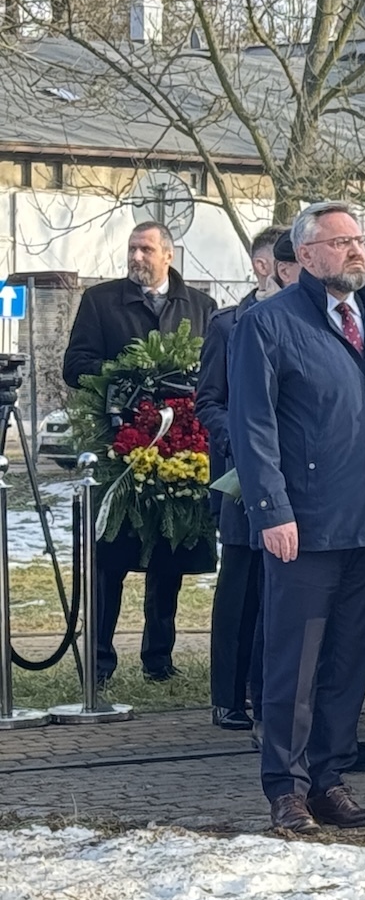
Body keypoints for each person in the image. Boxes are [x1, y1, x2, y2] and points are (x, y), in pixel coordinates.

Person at [230, 201, 365, 833]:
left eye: (359, 240)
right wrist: (272, 511)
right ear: (306, 255)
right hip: (305, 525)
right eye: (340, 242)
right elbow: (252, 427)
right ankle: (286, 786)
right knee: (297, 662)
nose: (355, 251)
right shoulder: (269, 323)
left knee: (349, 659)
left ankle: (329, 777)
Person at [62, 221, 219, 685]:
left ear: (168, 255)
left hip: (180, 446)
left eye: (145, 249)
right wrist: (129, 374)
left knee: (167, 555)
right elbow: (75, 366)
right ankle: (100, 660)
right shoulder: (101, 301)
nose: (136, 257)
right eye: (131, 248)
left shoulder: (201, 306)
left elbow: (213, 371)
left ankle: (158, 659)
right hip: (122, 446)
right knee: (111, 556)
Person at [199, 225, 292, 732]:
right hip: (242, 476)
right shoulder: (229, 325)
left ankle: (267, 692)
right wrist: (241, 440)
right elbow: (208, 401)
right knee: (240, 587)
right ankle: (228, 695)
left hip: (295, 475)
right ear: (268, 267)